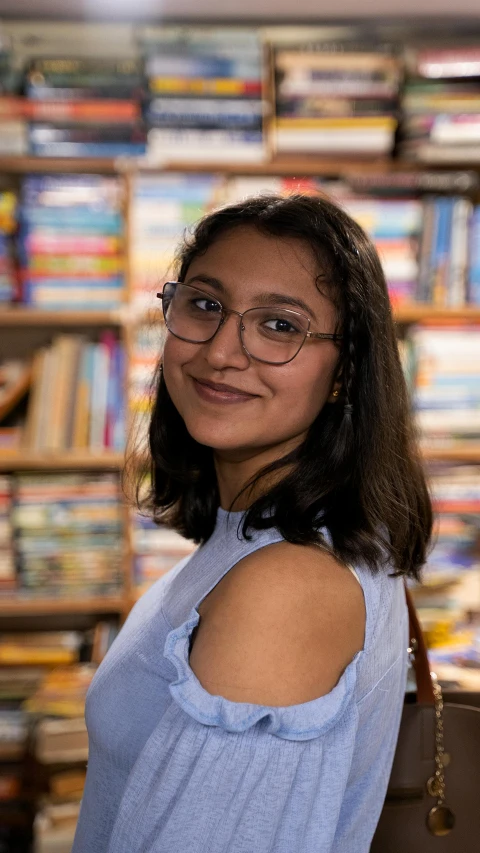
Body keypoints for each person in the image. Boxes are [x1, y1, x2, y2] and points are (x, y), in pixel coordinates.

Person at [72, 192, 433, 853]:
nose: (220, 353)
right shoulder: (261, 538)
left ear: (344, 372)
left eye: (279, 325)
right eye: (205, 305)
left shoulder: (286, 586)